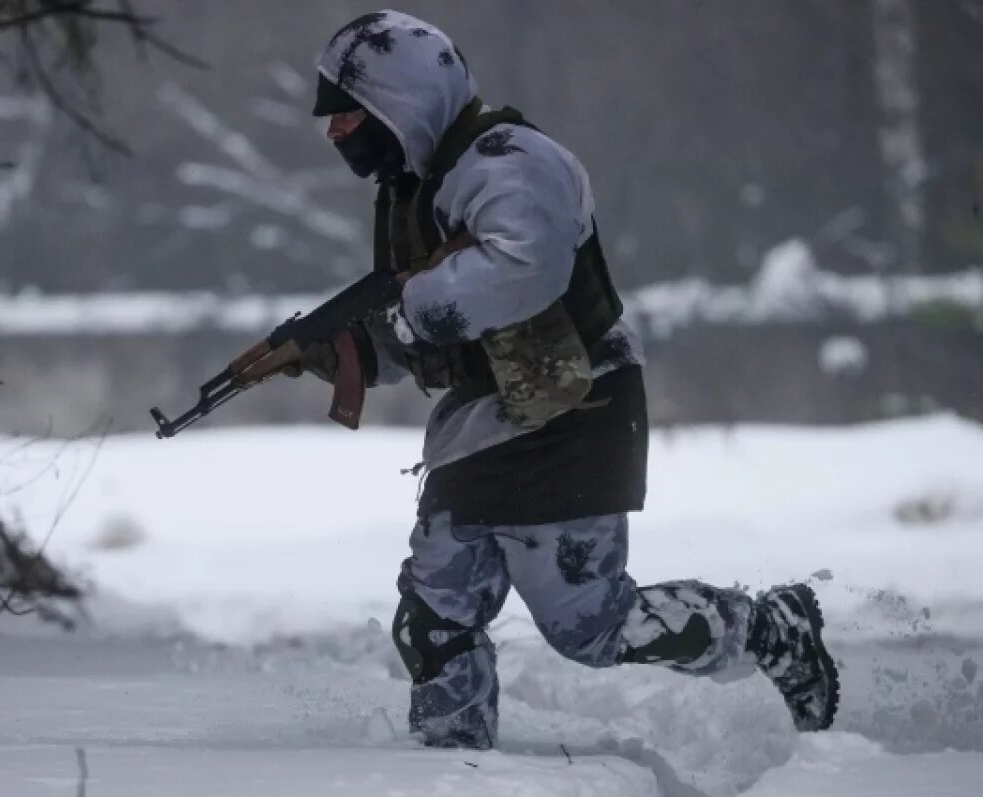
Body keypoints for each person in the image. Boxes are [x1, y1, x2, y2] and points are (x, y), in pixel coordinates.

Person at [294, 10, 838, 750]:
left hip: (573, 411)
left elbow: (522, 271)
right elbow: (432, 336)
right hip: (482, 425)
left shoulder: (511, 161)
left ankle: (773, 627)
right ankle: (453, 765)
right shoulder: (416, 192)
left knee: (591, 623)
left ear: (403, 100)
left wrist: (402, 319)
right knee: (433, 616)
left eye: (350, 114)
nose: (336, 135)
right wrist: (344, 350)